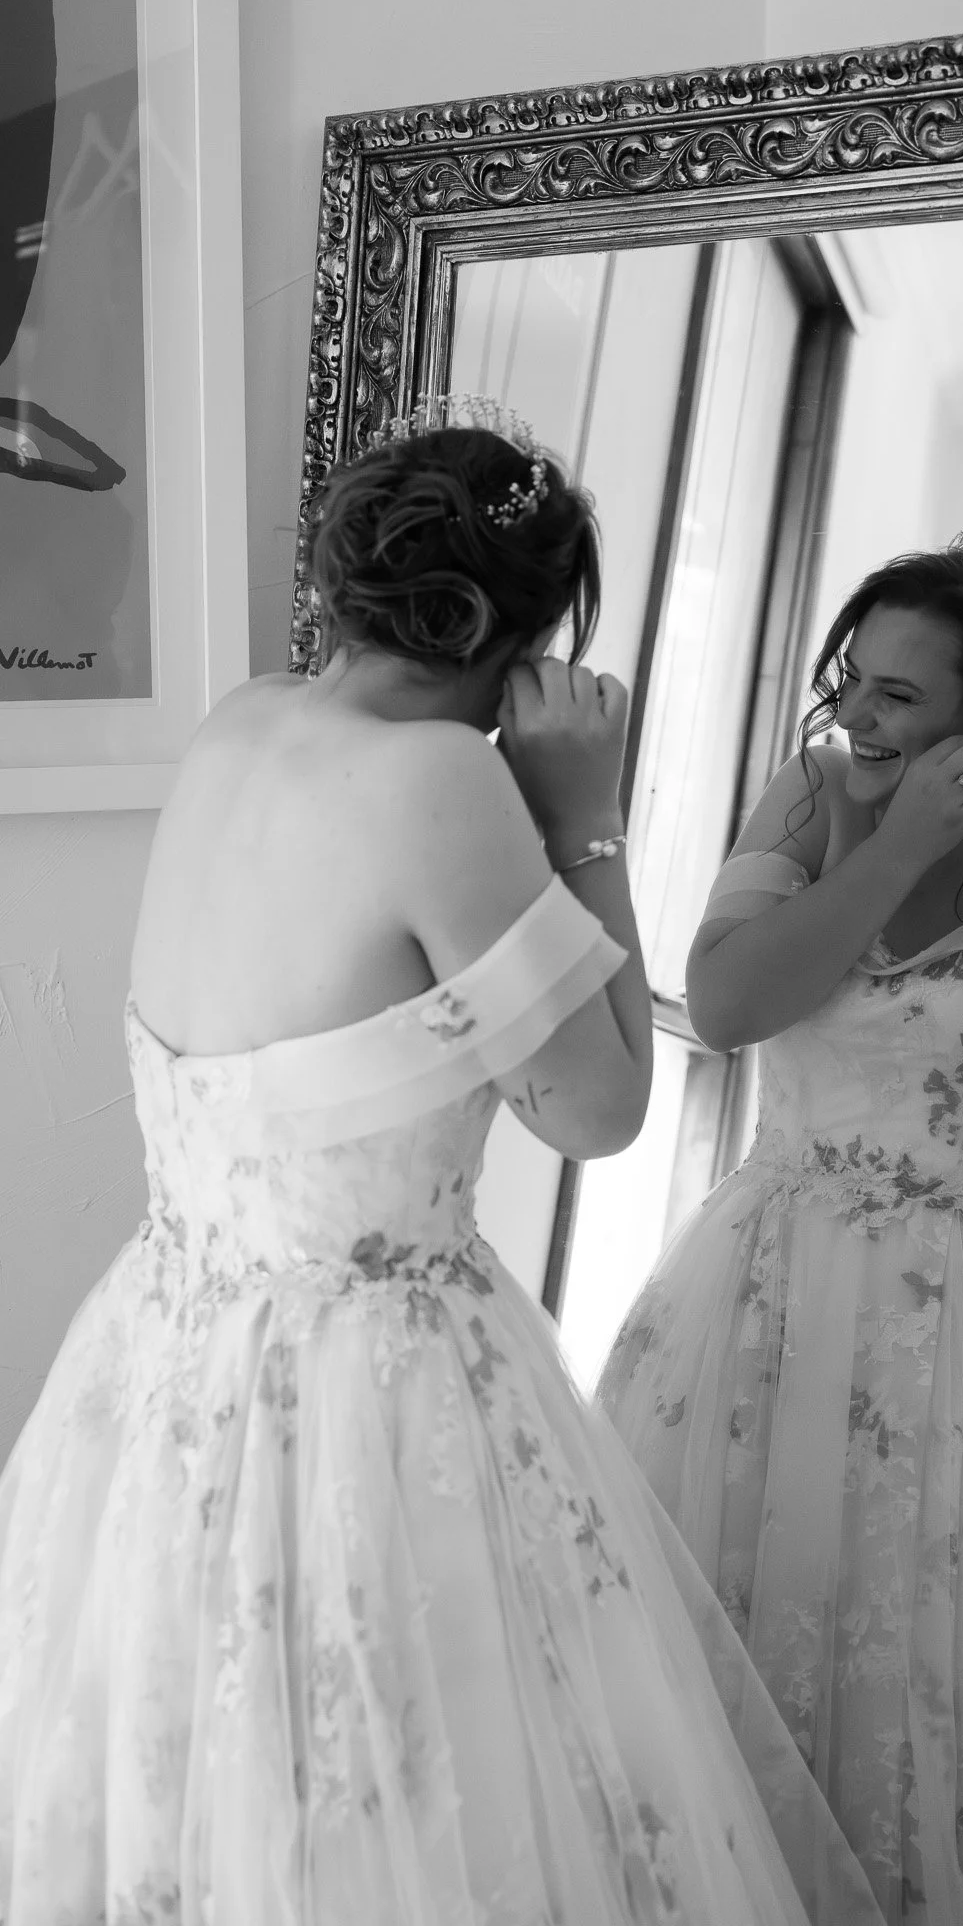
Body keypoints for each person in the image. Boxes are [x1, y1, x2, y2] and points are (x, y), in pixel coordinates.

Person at [0, 398, 882, 1926]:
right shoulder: (440, 783)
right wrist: (587, 820)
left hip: (163, 1369)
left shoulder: (240, 723)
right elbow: (600, 1109)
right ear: (510, 640)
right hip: (370, 1391)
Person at [596, 537, 963, 1926]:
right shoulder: (807, 798)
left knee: (947, 1712)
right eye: (854, 680)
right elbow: (724, 1010)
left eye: (904, 698)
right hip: (760, 1303)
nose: (859, 716)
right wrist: (889, 839)